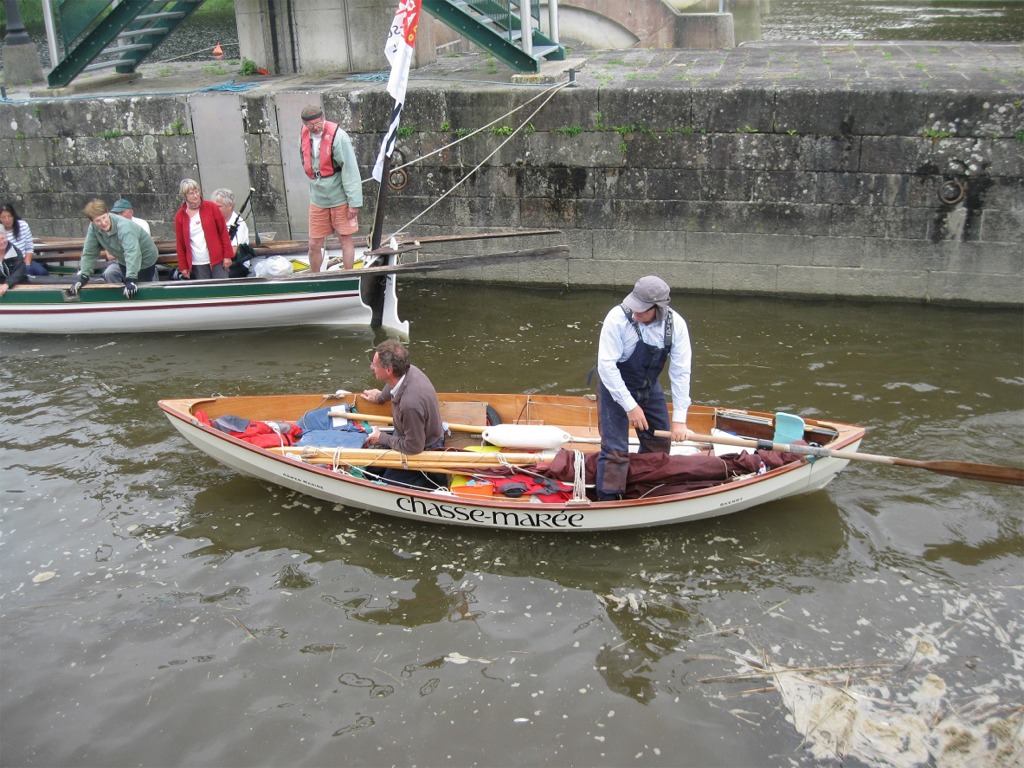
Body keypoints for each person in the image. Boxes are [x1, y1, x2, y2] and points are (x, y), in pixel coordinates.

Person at [594, 275, 693, 501]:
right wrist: (630, 406)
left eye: (642, 310)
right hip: (613, 386)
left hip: (647, 386)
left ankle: (644, 490)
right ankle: (608, 502)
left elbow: (680, 373)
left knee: (658, 443)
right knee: (615, 451)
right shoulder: (616, 319)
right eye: (634, 307)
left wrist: (679, 420)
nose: (636, 313)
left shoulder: (676, 325)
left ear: (659, 308)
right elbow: (607, 367)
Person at [359, 339, 445, 490]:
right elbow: (392, 385)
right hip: (410, 435)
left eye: (375, 365)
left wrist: (382, 438)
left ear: (388, 370)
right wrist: (380, 398)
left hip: (422, 451)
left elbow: (414, 447)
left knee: (383, 485)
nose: (372, 367)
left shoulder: (409, 405)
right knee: (372, 467)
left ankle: (425, 481)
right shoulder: (410, 370)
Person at [299, 104, 362, 271]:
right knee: (314, 243)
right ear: (305, 125)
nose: (315, 128)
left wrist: (354, 202)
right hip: (318, 197)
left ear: (324, 119)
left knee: (345, 238)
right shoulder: (304, 134)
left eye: (318, 123)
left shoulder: (339, 137)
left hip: (339, 196)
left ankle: (348, 274)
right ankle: (315, 277)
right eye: (310, 125)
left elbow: (350, 169)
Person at [69, 199, 160, 299]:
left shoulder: (123, 226)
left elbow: (132, 252)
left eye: (104, 218)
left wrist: (131, 278)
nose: (103, 223)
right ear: (92, 221)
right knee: (127, 284)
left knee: (139, 287)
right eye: (98, 221)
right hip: (123, 259)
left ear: (108, 213)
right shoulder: (93, 228)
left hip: (145, 257)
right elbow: (89, 252)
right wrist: (84, 276)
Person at [174, 178, 234, 280]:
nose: (196, 195)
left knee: (222, 289)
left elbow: (223, 232)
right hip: (197, 262)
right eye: (191, 193)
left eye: (197, 191)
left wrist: (227, 255)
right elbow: (180, 243)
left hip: (217, 259)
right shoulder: (180, 216)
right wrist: (183, 266)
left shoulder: (211, 207)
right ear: (184, 196)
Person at [101, 198, 150, 284]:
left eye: (121, 212)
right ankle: (117, 297)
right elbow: (110, 256)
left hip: (141, 262)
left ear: (131, 212)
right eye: (116, 213)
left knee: (151, 272)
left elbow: (144, 250)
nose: (118, 215)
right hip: (119, 263)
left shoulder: (142, 224)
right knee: (109, 273)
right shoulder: (108, 226)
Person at [212, 188, 257, 278]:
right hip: (218, 262)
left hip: (237, 264)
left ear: (230, 206)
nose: (215, 210)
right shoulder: (213, 221)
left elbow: (232, 252)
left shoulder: (239, 223)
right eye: (214, 206)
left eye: (219, 206)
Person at [1, 202, 47, 277]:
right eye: (3, 217)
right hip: (8, 263)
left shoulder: (23, 225)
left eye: (9, 216)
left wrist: (27, 264)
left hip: (23, 260)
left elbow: (29, 248)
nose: (7, 220)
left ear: (13, 216)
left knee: (42, 272)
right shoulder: (1, 231)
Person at [0, 229, 29, 297]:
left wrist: (7, 284)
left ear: (7, 238)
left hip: (17, 285)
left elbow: (19, 271)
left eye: (3, 238)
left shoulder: (16, 252)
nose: (1, 242)